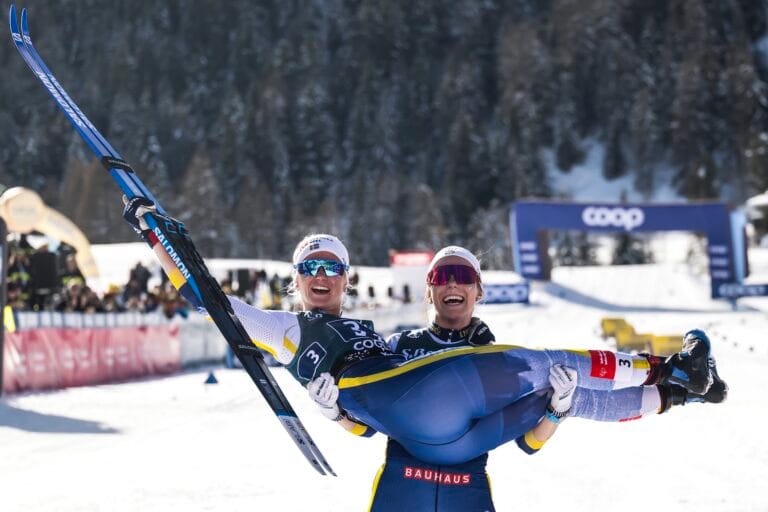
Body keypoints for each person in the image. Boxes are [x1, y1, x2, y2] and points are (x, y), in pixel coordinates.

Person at [122, 201, 727, 465]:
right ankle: (666, 364)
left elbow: (370, 424)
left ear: (347, 277)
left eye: (332, 266)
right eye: (310, 268)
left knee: (556, 392)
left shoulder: (369, 328)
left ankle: (675, 392)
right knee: (540, 361)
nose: (321, 276)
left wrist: (343, 419)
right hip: (394, 396)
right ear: (297, 280)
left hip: (434, 422)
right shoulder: (283, 327)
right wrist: (159, 237)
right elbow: (209, 299)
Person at [308, 246, 569, 512]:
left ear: (478, 290)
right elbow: (369, 427)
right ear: (429, 290)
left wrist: (557, 410)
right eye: (442, 276)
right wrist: (335, 412)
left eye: (463, 275)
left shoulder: (497, 361)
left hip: (465, 496)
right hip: (401, 493)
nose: (453, 283)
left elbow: (528, 443)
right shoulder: (399, 346)